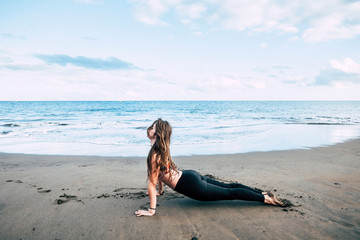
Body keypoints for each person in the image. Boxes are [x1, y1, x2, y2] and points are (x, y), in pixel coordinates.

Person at [135, 118, 285, 217]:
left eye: (152, 127)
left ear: (157, 133)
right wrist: (160, 191)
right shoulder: (161, 149)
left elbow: (151, 184)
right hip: (189, 176)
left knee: (230, 193)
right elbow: (160, 175)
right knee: (230, 187)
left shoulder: (154, 154)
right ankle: (261, 193)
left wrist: (151, 211)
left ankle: (265, 198)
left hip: (192, 184)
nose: (149, 128)